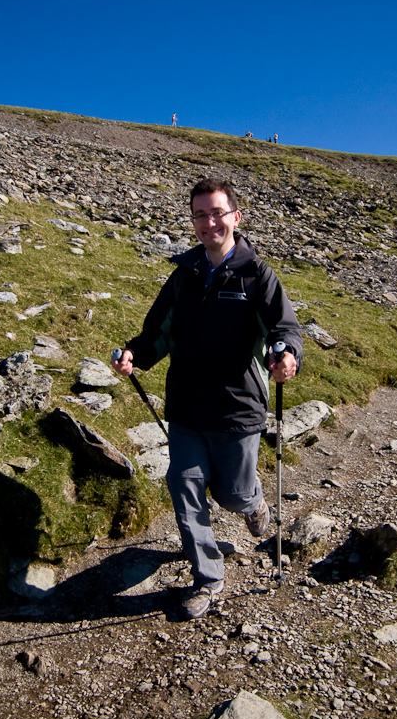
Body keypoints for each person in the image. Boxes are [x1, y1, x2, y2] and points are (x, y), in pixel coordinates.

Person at [112, 177, 302, 619]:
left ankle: (253, 504)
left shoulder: (258, 275)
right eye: (200, 214)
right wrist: (134, 356)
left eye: (217, 212)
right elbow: (157, 332)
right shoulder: (184, 276)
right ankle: (208, 577)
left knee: (232, 495)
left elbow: (284, 329)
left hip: (237, 408)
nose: (208, 221)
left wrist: (286, 355)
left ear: (236, 216)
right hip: (185, 406)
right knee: (184, 485)